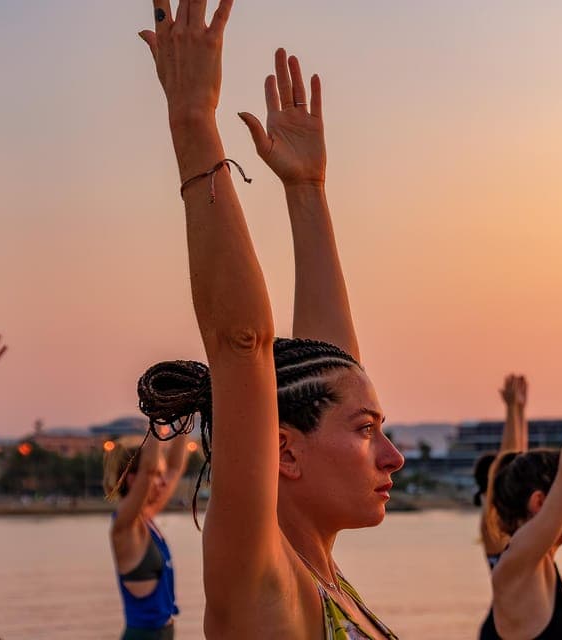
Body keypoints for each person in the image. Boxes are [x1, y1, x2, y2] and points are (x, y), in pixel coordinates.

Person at [137, 2, 404, 637]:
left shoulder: (326, 581)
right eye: (367, 430)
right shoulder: (266, 585)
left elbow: (331, 366)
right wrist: (193, 122)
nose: (393, 457)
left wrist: (307, 189)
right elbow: (241, 344)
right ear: (282, 449)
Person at [483, 311, 562, 640]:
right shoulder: (517, 566)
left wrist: (517, 411)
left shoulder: (538, 566)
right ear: (540, 502)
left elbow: (513, 463)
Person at [103, 433, 190, 639]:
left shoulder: (147, 517)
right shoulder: (123, 527)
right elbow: (149, 470)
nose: (163, 481)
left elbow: (175, 468)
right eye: (157, 476)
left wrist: (185, 418)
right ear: (133, 480)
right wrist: (156, 423)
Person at [475, 374, 528, 570]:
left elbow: (520, 460)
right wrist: (512, 408)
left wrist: (520, 410)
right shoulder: (493, 516)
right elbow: (510, 461)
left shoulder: (505, 514)